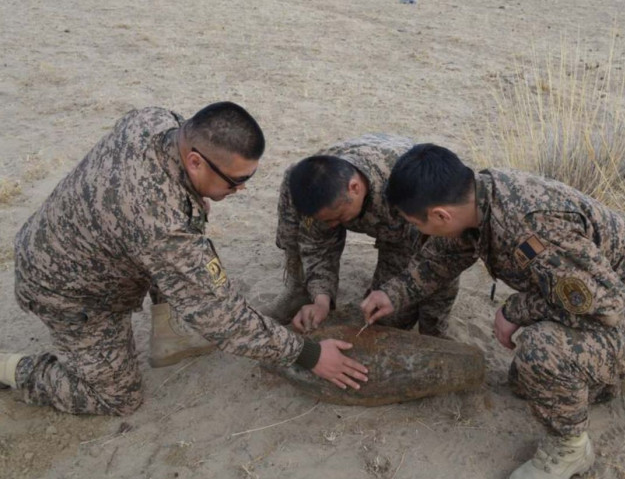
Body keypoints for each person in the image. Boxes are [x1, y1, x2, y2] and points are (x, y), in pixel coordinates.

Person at [0, 102, 368, 415]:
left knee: (188, 233)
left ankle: (170, 335)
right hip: (66, 290)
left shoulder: (154, 120)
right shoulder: (162, 225)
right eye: (233, 181)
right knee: (115, 399)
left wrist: (193, 200)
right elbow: (223, 320)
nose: (240, 190)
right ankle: (11, 367)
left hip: (63, 238)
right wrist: (309, 354)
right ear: (195, 161)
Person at [362, 143, 625, 479]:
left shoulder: (530, 226)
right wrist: (394, 293)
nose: (420, 233)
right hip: (613, 304)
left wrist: (514, 311)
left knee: (542, 353)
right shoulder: (479, 198)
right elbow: (444, 256)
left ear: (440, 215)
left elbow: (604, 307)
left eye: (417, 225)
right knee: (526, 385)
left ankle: (570, 450)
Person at [259, 134, 459, 337]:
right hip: (354, 174)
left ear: (354, 188)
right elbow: (318, 246)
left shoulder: (407, 195)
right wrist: (321, 301)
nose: (332, 226)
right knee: (296, 213)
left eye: (338, 217)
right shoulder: (317, 188)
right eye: (326, 220)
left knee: (389, 319)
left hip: (399, 215)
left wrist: (432, 326)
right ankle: (298, 289)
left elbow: (444, 260)